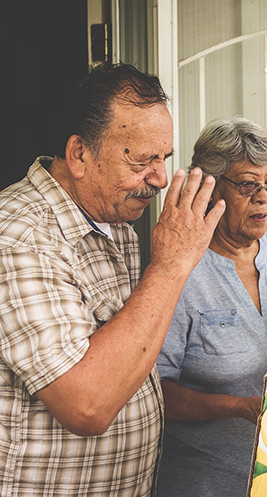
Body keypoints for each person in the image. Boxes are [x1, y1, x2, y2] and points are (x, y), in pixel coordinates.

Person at [0, 62, 225, 496]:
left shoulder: (115, 221)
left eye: (164, 159)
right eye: (143, 161)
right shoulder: (20, 236)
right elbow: (87, 405)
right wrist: (172, 263)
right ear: (80, 154)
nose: (160, 179)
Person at [156, 117, 267, 496]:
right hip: (205, 482)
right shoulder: (180, 266)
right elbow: (155, 395)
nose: (263, 198)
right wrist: (237, 406)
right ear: (209, 188)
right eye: (247, 184)